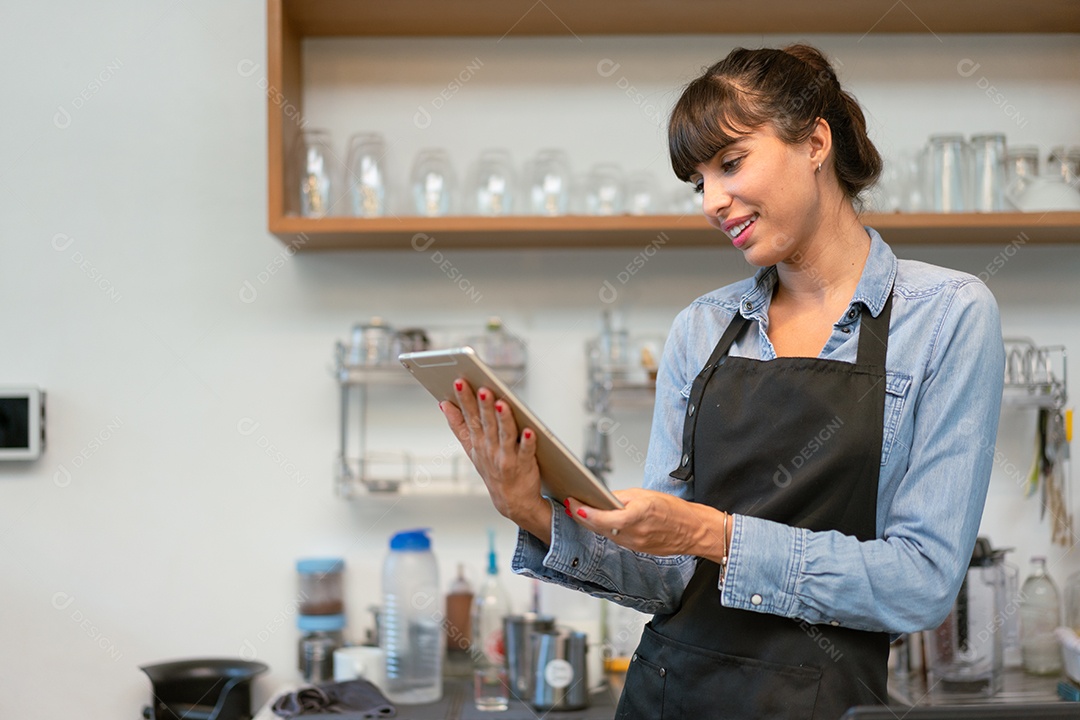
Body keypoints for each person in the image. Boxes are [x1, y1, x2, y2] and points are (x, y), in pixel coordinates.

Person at [439, 44, 1005, 720]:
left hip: (823, 702)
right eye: (698, 181)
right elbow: (667, 580)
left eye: (730, 164)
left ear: (815, 142)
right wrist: (531, 510)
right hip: (666, 694)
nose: (711, 200)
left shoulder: (946, 316)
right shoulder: (701, 329)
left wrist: (713, 534)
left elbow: (922, 583)